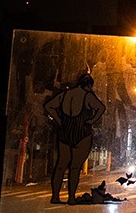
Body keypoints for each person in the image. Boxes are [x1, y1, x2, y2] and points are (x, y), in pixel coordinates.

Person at [43, 71, 106, 205]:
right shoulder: (87, 96)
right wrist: (91, 120)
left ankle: (55, 196)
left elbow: (48, 106)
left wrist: (59, 120)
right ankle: (71, 197)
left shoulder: (65, 95)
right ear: (88, 85)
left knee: (60, 165)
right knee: (75, 167)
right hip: (81, 132)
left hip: (65, 131)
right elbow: (101, 108)